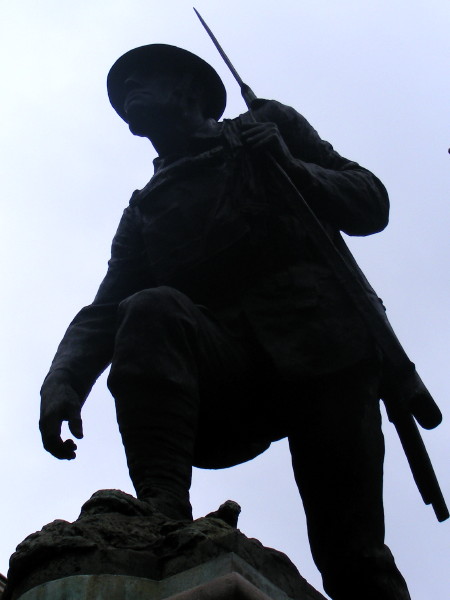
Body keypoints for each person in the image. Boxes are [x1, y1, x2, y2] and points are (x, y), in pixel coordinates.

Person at [39, 44, 411, 599]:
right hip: (228, 376)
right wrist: (64, 378)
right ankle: (161, 514)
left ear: (188, 89)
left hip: (325, 351)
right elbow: (104, 309)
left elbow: (370, 203)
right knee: (148, 308)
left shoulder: (268, 126)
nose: (127, 92)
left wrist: (292, 165)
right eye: (120, 90)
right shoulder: (146, 207)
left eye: (142, 78)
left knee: (353, 552)